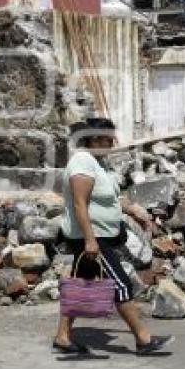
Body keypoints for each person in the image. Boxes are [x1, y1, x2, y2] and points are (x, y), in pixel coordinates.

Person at [53, 117, 173, 356]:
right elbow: (79, 204)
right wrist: (90, 240)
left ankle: (63, 337)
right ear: (95, 138)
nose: (113, 142)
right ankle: (143, 339)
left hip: (100, 236)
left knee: (81, 286)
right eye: (109, 138)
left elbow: (109, 199)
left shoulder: (98, 163)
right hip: (92, 237)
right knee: (120, 285)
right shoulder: (82, 162)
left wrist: (134, 211)